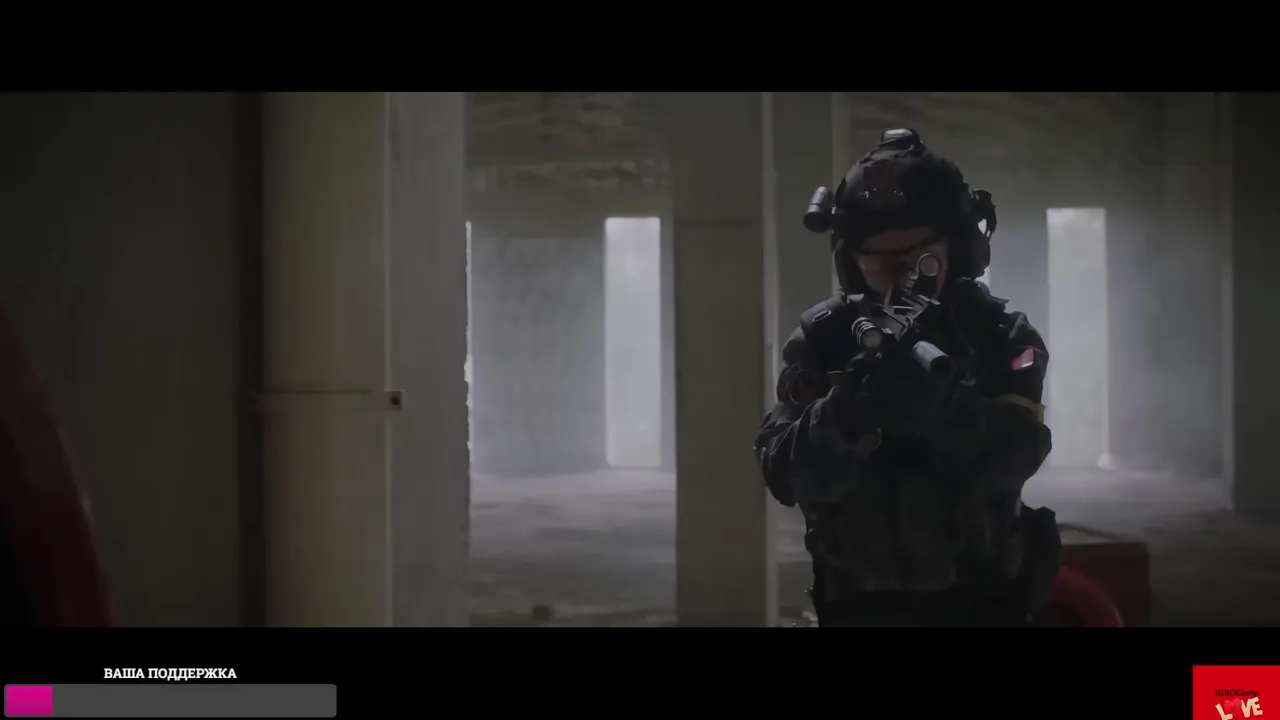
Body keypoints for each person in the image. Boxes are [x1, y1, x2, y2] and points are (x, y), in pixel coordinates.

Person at [754, 128, 1060, 627]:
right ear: (851, 263)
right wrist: (841, 418)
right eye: (878, 261)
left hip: (982, 603)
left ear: (957, 249)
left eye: (920, 259)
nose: (902, 279)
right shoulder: (824, 338)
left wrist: (946, 416)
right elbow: (782, 474)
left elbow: (1021, 452)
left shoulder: (998, 334)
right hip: (858, 608)